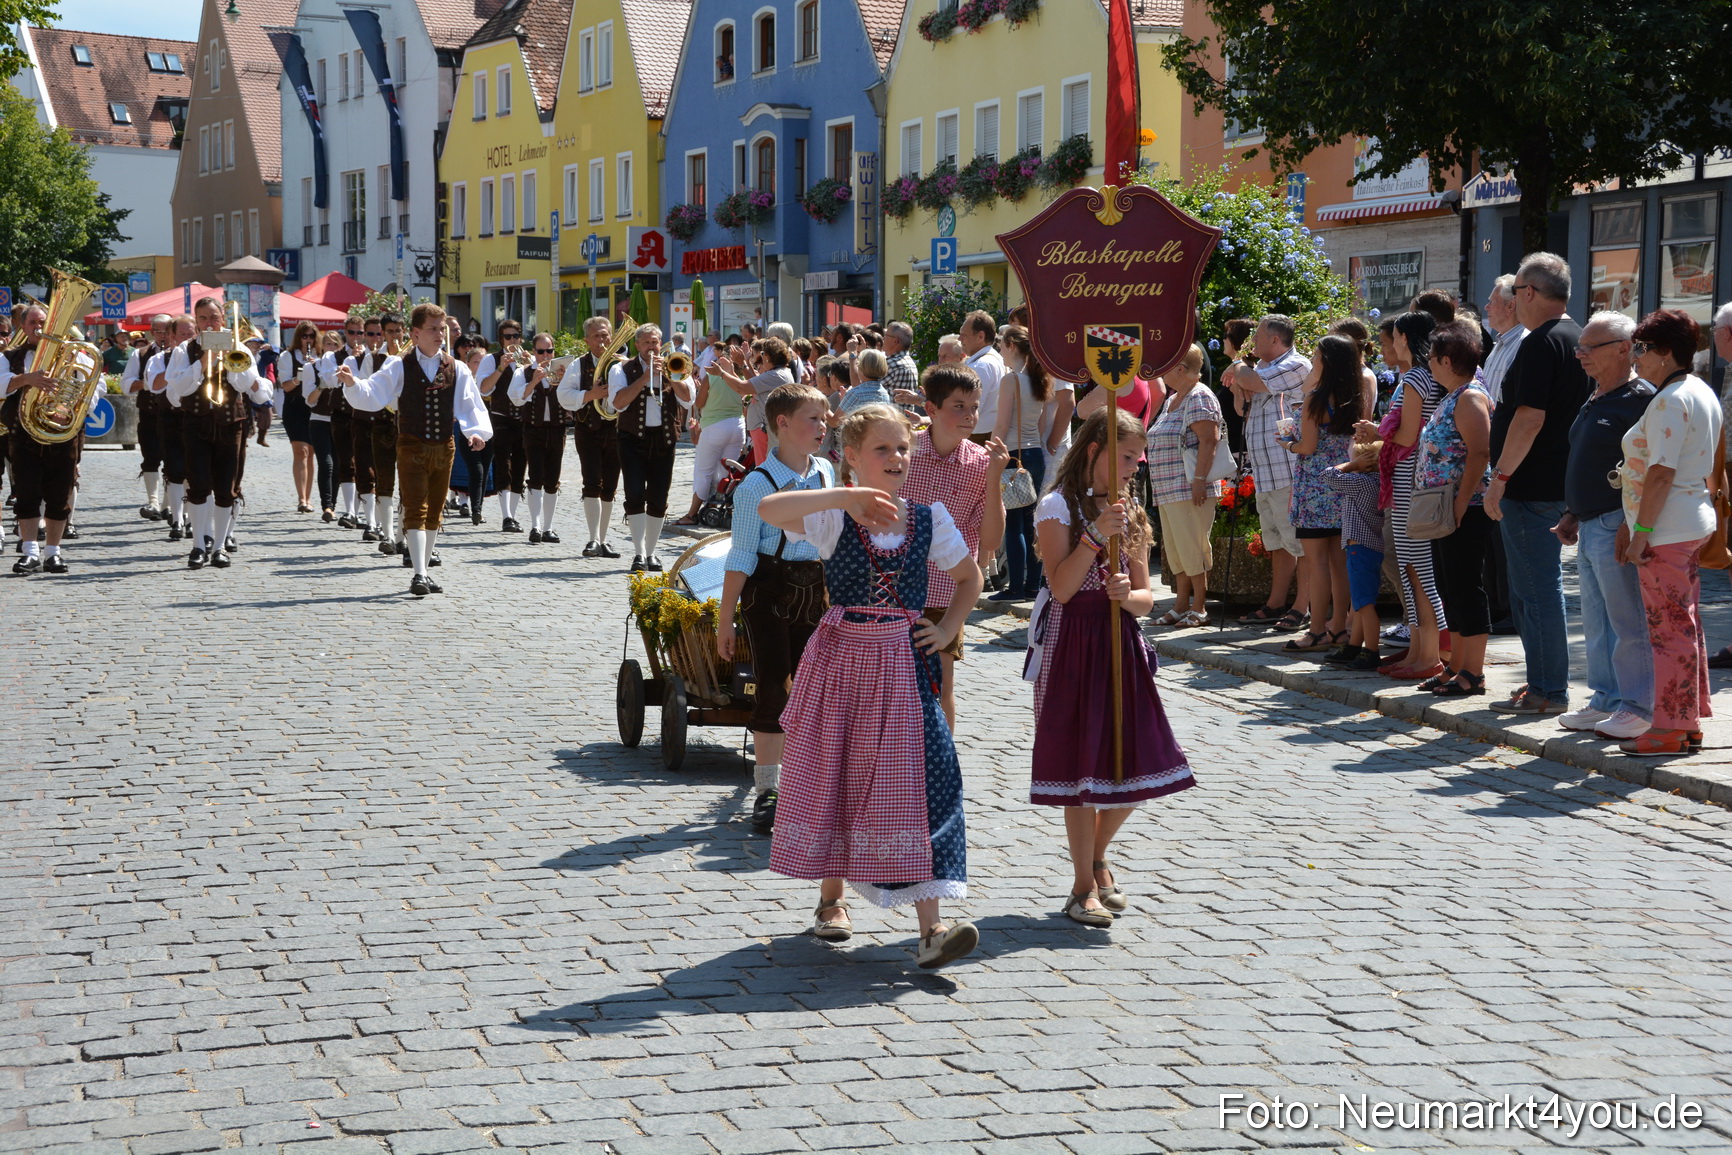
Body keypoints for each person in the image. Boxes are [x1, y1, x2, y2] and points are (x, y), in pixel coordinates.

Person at [756, 404, 983, 970]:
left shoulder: (928, 518)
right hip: (844, 665)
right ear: (851, 457)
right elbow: (767, 507)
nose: (898, 458)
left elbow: (969, 578)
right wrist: (841, 496)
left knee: (924, 782)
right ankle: (831, 900)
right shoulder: (835, 517)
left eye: (903, 448)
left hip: (905, 670)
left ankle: (931, 929)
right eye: (883, 449)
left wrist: (949, 626)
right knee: (838, 771)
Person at [1029, 408, 1196, 927]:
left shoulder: (1131, 510)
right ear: (1096, 449)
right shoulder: (1058, 507)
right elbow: (1060, 586)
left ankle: (1097, 856)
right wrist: (1095, 537)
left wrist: (1131, 596)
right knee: (1081, 769)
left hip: (1118, 641)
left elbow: (1147, 596)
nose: (1135, 465)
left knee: (1140, 759)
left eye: (1137, 456)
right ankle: (1083, 888)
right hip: (1071, 641)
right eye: (1126, 456)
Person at [717, 382, 835, 833]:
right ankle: (768, 790)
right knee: (774, 687)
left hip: (817, 591)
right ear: (782, 424)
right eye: (813, 419)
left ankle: (806, 784)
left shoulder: (825, 471)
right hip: (768, 592)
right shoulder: (755, 486)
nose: (823, 427)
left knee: (815, 691)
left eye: (825, 418)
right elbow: (741, 556)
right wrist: (725, 620)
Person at [1484, 253, 1592, 715]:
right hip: (1557, 480)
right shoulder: (1578, 337)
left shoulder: (1542, 341)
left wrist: (1500, 477)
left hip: (1531, 484)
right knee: (1533, 588)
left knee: (1535, 590)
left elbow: (1528, 418)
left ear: (1528, 293)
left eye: (1516, 292)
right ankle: (1541, 683)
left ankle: (1548, 689)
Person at [1616, 310, 1721, 755]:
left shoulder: (1669, 399)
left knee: (1669, 628)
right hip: (1689, 520)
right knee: (1685, 623)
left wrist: (1640, 532)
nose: (1635, 358)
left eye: (1641, 349)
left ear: (1664, 352)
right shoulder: (1700, 391)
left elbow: (1660, 473)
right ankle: (1687, 719)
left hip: (1667, 527)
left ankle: (1671, 725)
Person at [338, 303, 492, 596]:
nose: (440, 335)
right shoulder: (398, 364)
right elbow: (372, 394)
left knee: (435, 509)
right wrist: (351, 383)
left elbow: (471, 404)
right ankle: (419, 573)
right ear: (416, 333)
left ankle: (424, 569)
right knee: (416, 507)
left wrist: (476, 433)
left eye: (442, 329)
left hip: (444, 446)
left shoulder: (456, 367)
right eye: (433, 329)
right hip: (410, 444)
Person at [1550, 311, 1654, 738]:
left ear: (1624, 349)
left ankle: (1639, 704)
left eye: (1590, 348)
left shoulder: (1641, 398)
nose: (1580, 355)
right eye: (1581, 347)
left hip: (1617, 521)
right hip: (1590, 522)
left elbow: (1650, 467)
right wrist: (1573, 511)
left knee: (1627, 621)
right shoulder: (1596, 395)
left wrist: (1635, 524)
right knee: (1595, 621)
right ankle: (1605, 699)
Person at [901, 364, 1008, 728]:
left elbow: (991, 540)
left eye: (975, 406)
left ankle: (940, 770)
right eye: (959, 406)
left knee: (940, 688)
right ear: (931, 408)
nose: (970, 415)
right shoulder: (904, 452)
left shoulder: (980, 464)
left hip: (947, 594)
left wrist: (994, 479)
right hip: (893, 591)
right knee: (890, 688)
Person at [1415, 321, 1495, 697]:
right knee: (1449, 587)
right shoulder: (1453, 394)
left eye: (1431, 357)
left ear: (1447, 360)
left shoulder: (1469, 397)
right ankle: (1456, 665)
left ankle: (1473, 673)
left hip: (1465, 506)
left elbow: (1480, 452)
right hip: (1444, 507)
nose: (1428, 363)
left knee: (1465, 587)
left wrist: (1462, 501)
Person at [163, 296, 270, 569]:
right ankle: (199, 544)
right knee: (198, 486)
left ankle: (221, 546)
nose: (210, 323)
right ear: (196, 322)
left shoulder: (239, 349)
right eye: (203, 318)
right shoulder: (183, 351)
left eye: (214, 317)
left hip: (231, 424)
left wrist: (229, 358)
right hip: (195, 425)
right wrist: (203, 362)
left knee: (227, 488)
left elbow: (248, 386)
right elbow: (177, 392)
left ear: (223, 319)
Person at [1379, 310, 1448, 679]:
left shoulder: (1418, 377)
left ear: (1405, 338)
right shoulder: (1422, 374)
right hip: (1415, 476)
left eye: (1395, 335)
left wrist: (1377, 431)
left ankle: (1428, 655)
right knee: (1413, 567)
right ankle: (1420, 652)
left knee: (1416, 568)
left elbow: (1407, 436)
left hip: (1411, 477)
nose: (1392, 340)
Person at [1281, 335, 1361, 653]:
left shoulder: (1316, 399)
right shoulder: (1352, 398)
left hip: (1314, 488)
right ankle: (1339, 628)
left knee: (1316, 565)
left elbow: (1308, 446)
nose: (1312, 362)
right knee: (1339, 565)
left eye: (1316, 357)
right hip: (1341, 487)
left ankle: (1316, 631)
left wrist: (1287, 442)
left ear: (1327, 361)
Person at [1233, 315, 1311, 630]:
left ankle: (1302, 607)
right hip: (1266, 472)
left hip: (1289, 469)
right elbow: (1242, 403)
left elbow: (1250, 383)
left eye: (1259, 335)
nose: (1254, 341)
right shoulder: (1263, 367)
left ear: (1275, 340)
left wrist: (1237, 367)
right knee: (1276, 542)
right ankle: (1276, 603)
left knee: (1300, 543)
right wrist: (1241, 378)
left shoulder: (1296, 364)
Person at [1144, 343, 1222, 627]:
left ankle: (1199, 608)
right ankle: (1180, 606)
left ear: (1180, 369)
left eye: (1166, 365)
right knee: (1177, 550)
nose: (1161, 370)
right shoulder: (1175, 397)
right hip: (1169, 488)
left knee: (1194, 547)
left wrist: (1199, 481)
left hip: (1189, 487)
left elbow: (1209, 440)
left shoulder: (1200, 395)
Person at [2, 305, 82, 573]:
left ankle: (53, 552)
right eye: (33, 322)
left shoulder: (72, 355)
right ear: (22, 327)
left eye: (44, 322)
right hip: (23, 435)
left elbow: (92, 388)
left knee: (60, 493)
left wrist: (68, 409)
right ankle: (30, 551)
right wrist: (27, 379)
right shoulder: (9, 357)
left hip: (61, 434)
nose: (39, 327)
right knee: (27, 493)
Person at [610, 323, 695, 571]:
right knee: (635, 494)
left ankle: (651, 553)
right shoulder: (622, 369)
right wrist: (644, 379)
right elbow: (618, 403)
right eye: (646, 342)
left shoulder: (675, 364)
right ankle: (638, 552)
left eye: (655, 342)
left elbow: (688, 399)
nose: (651, 347)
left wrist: (669, 376)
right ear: (637, 345)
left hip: (664, 439)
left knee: (659, 497)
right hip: (631, 438)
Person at [992, 325, 1057, 602]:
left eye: (1002, 345)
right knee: (1031, 524)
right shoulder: (1040, 379)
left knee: (1014, 524)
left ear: (1012, 346)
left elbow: (1003, 423)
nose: (1000, 350)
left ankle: (1015, 586)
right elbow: (1042, 425)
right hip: (1033, 455)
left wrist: (991, 452)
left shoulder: (1012, 380)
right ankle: (1033, 584)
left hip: (1012, 454)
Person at [555, 317, 623, 555]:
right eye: (597, 336)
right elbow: (563, 395)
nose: (602, 340)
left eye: (605, 335)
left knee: (611, 485)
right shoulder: (578, 365)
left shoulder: (621, 363)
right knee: (591, 482)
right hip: (588, 429)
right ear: (587, 340)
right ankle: (593, 538)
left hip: (615, 429)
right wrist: (590, 394)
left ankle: (603, 539)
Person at [1323, 441, 1386, 670]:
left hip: (1360, 548)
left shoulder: (1360, 482)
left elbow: (1328, 475)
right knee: (1359, 603)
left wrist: (1351, 465)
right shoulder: (1378, 482)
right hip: (1369, 548)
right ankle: (1355, 646)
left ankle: (1371, 651)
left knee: (1365, 604)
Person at [682, 322, 749, 526]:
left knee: (704, 471)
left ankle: (692, 514)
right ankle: (726, 510)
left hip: (714, 426)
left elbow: (699, 403)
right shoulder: (745, 376)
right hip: (737, 426)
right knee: (728, 472)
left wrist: (701, 388)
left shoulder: (714, 376)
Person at [508, 331, 567, 544]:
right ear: (534, 352)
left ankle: (548, 528)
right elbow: (516, 399)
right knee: (535, 475)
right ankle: (535, 525)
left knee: (552, 478)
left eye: (549, 351)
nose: (545, 355)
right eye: (541, 351)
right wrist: (533, 381)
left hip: (557, 429)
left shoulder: (563, 371)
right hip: (533, 429)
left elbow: (572, 397)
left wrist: (563, 379)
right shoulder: (523, 372)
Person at [343, 317, 395, 545]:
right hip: (367, 421)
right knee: (365, 471)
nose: (377, 339)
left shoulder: (409, 357)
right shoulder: (370, 358)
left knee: (390, 475)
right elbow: (365, 387)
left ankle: (392, 528)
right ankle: (372, 522)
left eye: (395, 332)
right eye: (372, 334)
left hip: (394, 422)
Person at [479, 320, 531, 532]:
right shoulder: (490, 360)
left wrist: (531, 366)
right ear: (501, 340)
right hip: (501, 419)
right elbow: (484, 389)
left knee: (520, 467)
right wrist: (501, 367)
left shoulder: (528, 359)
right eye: (508, 337)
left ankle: (513, 515)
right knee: (504, 467)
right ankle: (506, 516)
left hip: (524, 420)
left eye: (516, 336)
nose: (512, 341)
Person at [148, 315, 196, 539]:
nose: (187, 338)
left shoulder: (203, 357)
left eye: (191, 333)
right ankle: (176, 519)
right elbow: (154, 386)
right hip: (170, 417)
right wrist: (176, 372)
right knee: (174, 469)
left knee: (193, 471)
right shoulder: (160, 359)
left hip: (196, 418)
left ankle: (189, 517)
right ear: (172, 337)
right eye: (183, 334)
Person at [123, 315, 173, 520]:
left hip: (175, 415)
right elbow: (126, 385)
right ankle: (152, 501)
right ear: (152, 332)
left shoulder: (182, 354)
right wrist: (149, 382)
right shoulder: (140, 354)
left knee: (174, 460)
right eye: (158, 331)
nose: (163, 336)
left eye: (167, 331)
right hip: (149, 414)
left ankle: (168, 505)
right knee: (150, 458)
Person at [278, 320, 320, 514]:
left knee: (311, 453)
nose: (308, 340)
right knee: (300, 451)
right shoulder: (288, 356)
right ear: (299, 338)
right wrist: (298, 378)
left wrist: (316, 367)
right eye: (305, 336)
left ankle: (309, 497)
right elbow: (286, 387)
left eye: (312, 336)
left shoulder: (319, 356)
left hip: (313, 407)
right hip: (294, 406)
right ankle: (301, 499)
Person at [1481, 274, 1527, 407]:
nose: (1486, 307)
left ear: (1511, 306)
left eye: (1493, 301)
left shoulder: (1524, 343)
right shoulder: (1500, 342)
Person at [959, 311, 1004, 444]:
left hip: (977, 438)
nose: (959, 339)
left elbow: (971, 410)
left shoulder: (981, 365)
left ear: (980, 336)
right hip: (983, 434)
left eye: (963, 334)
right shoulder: (994, 358)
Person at [838, 348, 893, 413]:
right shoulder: (885, 394)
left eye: (858, 364)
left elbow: (835, 421)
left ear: (862, 367)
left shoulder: (855, 394)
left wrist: (823, 400)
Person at [882, 320, 919, 404]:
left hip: (891, 415)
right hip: (903, 415)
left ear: (896, 341)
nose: (883, 338)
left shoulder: (892, 364)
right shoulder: (909, 362)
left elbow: (865, 387)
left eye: (886, 335)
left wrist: (854, 357)